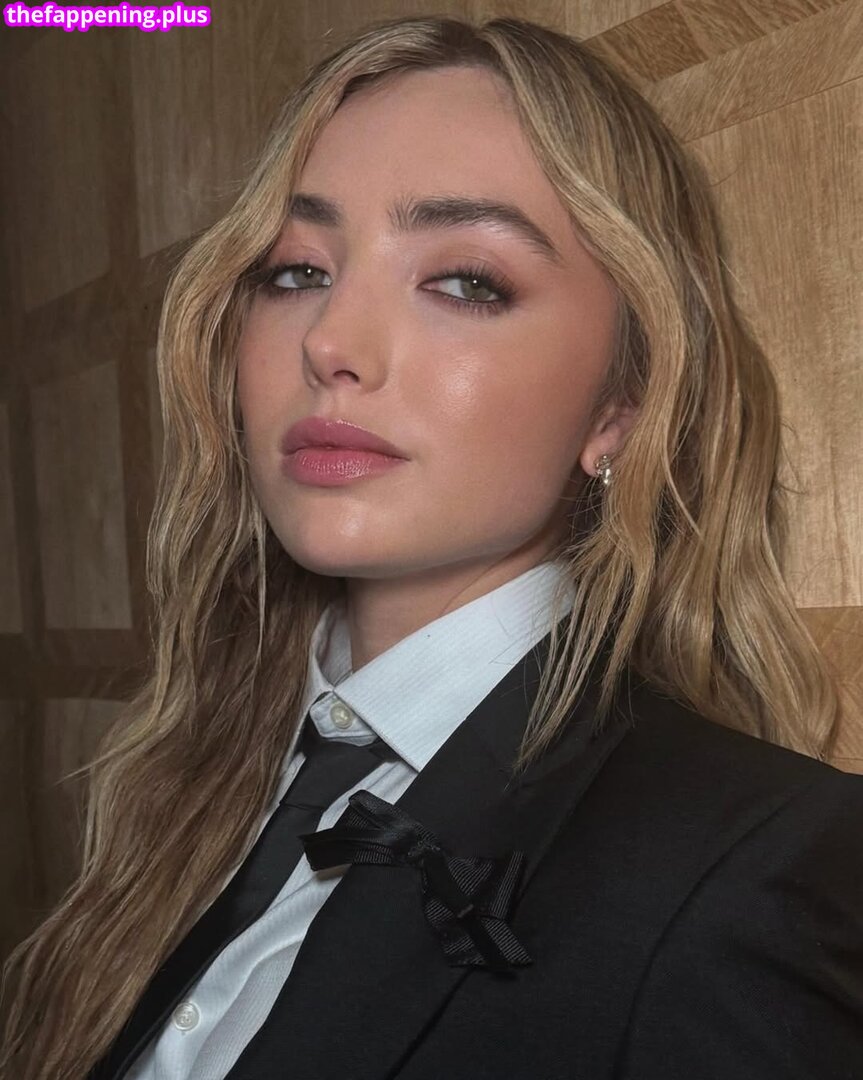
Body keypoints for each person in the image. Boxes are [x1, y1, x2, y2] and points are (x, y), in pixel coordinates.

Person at [2, 14, 861, 1080]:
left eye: (465, 281)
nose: (330, 342)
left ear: (620, 410)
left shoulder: (752, 872)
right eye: (294, 271)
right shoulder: (191, 781)